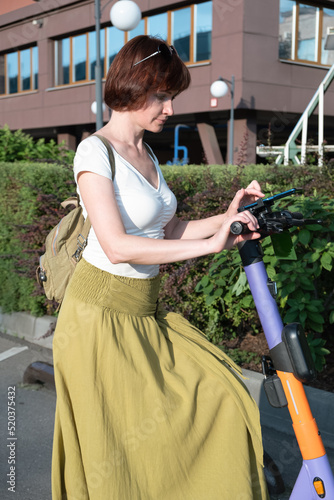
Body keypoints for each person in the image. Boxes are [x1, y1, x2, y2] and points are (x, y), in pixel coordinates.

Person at [52, 35, 269, 499]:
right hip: (98, 320)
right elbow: (116, 246)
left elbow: (167, 231)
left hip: (142, 314)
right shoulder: (95, 152)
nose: (170, 109)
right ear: (133, 86)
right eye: (163, 96)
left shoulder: (148, 155)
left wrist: (229, 219)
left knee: (220, 398)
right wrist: (211, 245)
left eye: (172, 97)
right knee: (119, 456)